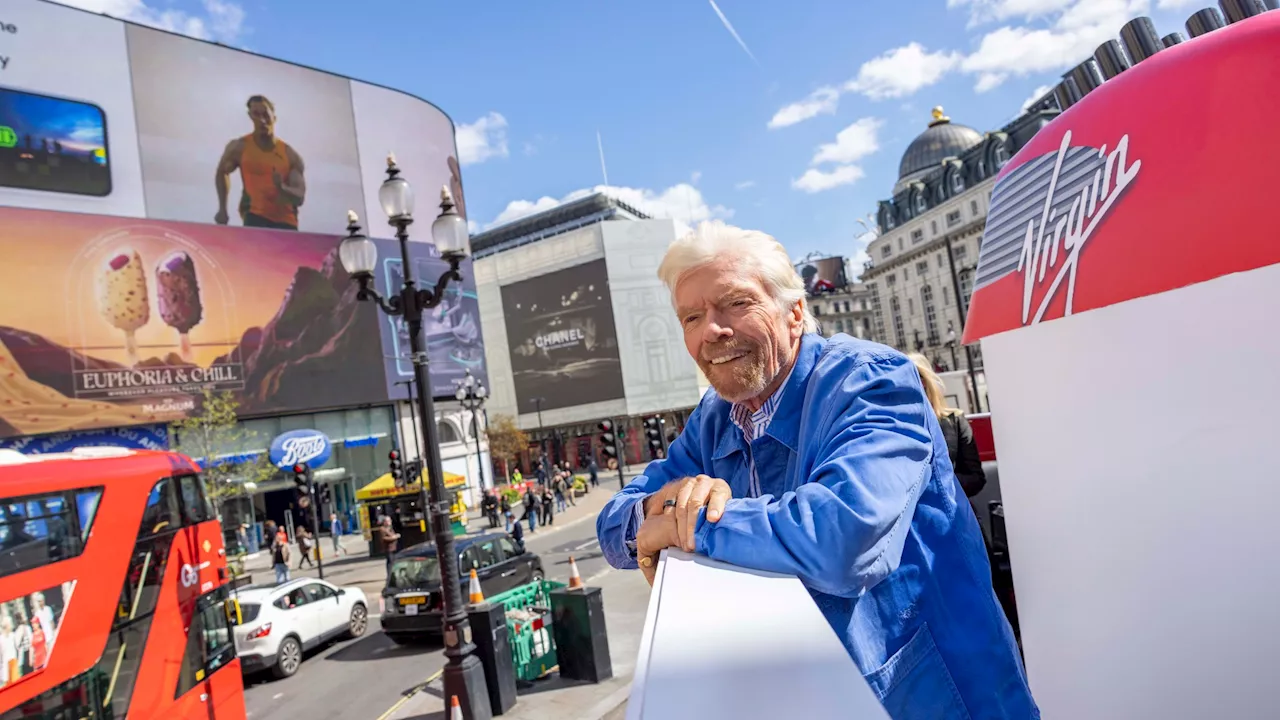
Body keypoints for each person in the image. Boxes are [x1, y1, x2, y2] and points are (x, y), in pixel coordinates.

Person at [595, 221, 1037, 719]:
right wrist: (663, 506)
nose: (712, 331)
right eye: (691, 317)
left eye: (736, 304)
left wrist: (692, 524)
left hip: (934, 698)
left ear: (795, 313)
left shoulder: (871, 382)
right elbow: (613, 525)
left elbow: (842, 537)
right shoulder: (714, 418)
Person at [214, 95, 306, 231]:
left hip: (286, 222)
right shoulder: (239, 147)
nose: (262, 120)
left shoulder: (290, 155)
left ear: (274, 117)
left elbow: (299, 197)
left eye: (266, 115)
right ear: (250, 117)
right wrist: (222, 209)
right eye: (256, 115)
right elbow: (222, 172)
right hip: (255, 216)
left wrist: (281, 188)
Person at [908, 354, 988, 499]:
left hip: (952, 510)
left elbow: (976, 478)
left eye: (914, 374)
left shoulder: (954, 420)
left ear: (925, 381)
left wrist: (936, 483)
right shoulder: (893, 425)